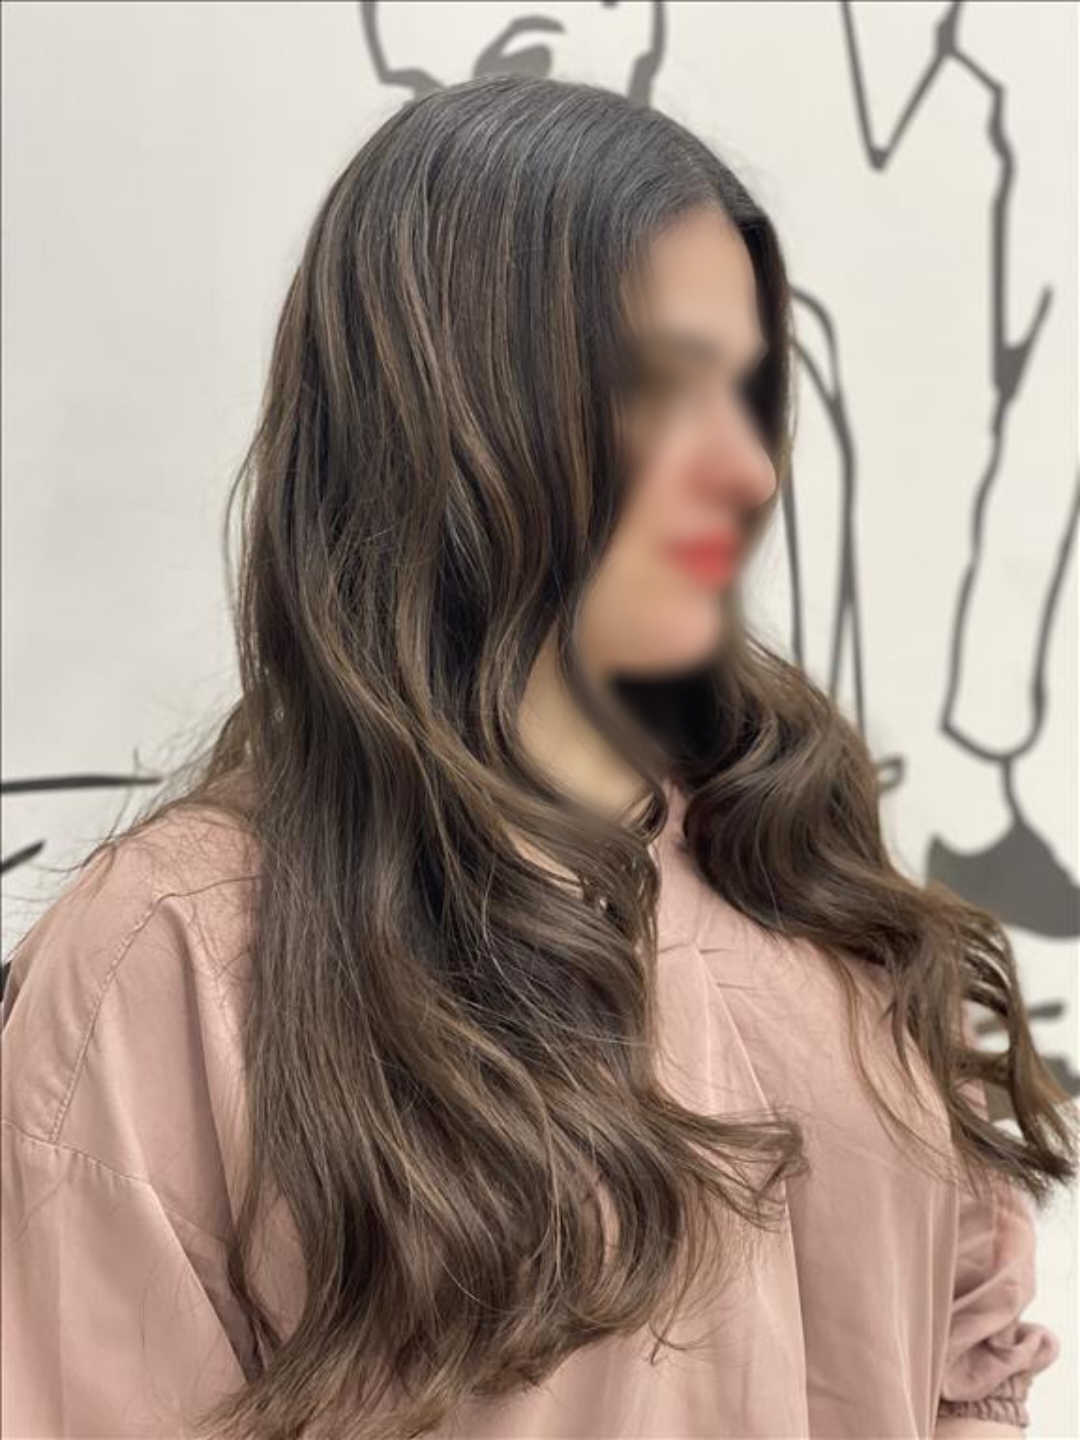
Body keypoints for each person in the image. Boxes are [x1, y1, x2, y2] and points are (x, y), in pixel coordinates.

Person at [2, 73, 1075, 1440]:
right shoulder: (179, 956)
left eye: (749, 390)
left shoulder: (794, 855)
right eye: (666, 386)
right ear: (450, 412)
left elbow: (968, 1358)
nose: (749, 467)